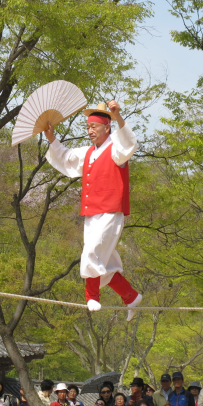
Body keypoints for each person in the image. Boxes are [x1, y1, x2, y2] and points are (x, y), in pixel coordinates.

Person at [45, 101, 142, 319]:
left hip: (110, 212)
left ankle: (92, 296)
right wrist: (51, 138)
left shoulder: (116, 149)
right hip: (91, 214)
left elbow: (128, 145)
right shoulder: (88, 153)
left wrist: (118, 117)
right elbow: (67, 158)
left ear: (106, 127)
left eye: (94, 127)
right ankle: (131, 296)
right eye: (87, 127)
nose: (89, 131)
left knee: (91, 253)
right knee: (103, 264)